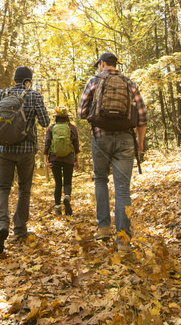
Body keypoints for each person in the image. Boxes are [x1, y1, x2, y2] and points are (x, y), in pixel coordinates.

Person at [78, 52, 147, 253]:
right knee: (123, 188)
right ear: (116, 65)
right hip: (126, 139)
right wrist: (139, 142)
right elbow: (142, 117)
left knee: (100, 179)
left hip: (100, 138)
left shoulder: (93, 81)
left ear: (101, 64)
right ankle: (124, 241)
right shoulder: (130, 83)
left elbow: (82, 112)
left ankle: (103, 228)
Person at [0, 66, 50, 256]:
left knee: (3, 188)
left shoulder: (0, 94)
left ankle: (0, 225)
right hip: (26, 151)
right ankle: (20, 229)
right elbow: (45, 122)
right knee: (24, 188)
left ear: (15, 79)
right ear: (28, 80)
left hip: (3, 149)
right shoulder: (33, 95)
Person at [43, 107, 80, 216]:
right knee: (68, 181)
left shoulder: (51, 128)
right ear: (67, 117)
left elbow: (47, 145)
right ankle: (67, 196)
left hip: (54, 159)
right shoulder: (72, 128)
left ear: (56, 118)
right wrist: (76, 160)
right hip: (69, 158)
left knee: (58, 183)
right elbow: (76, 145)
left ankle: (58, 208)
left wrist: (46, 160)